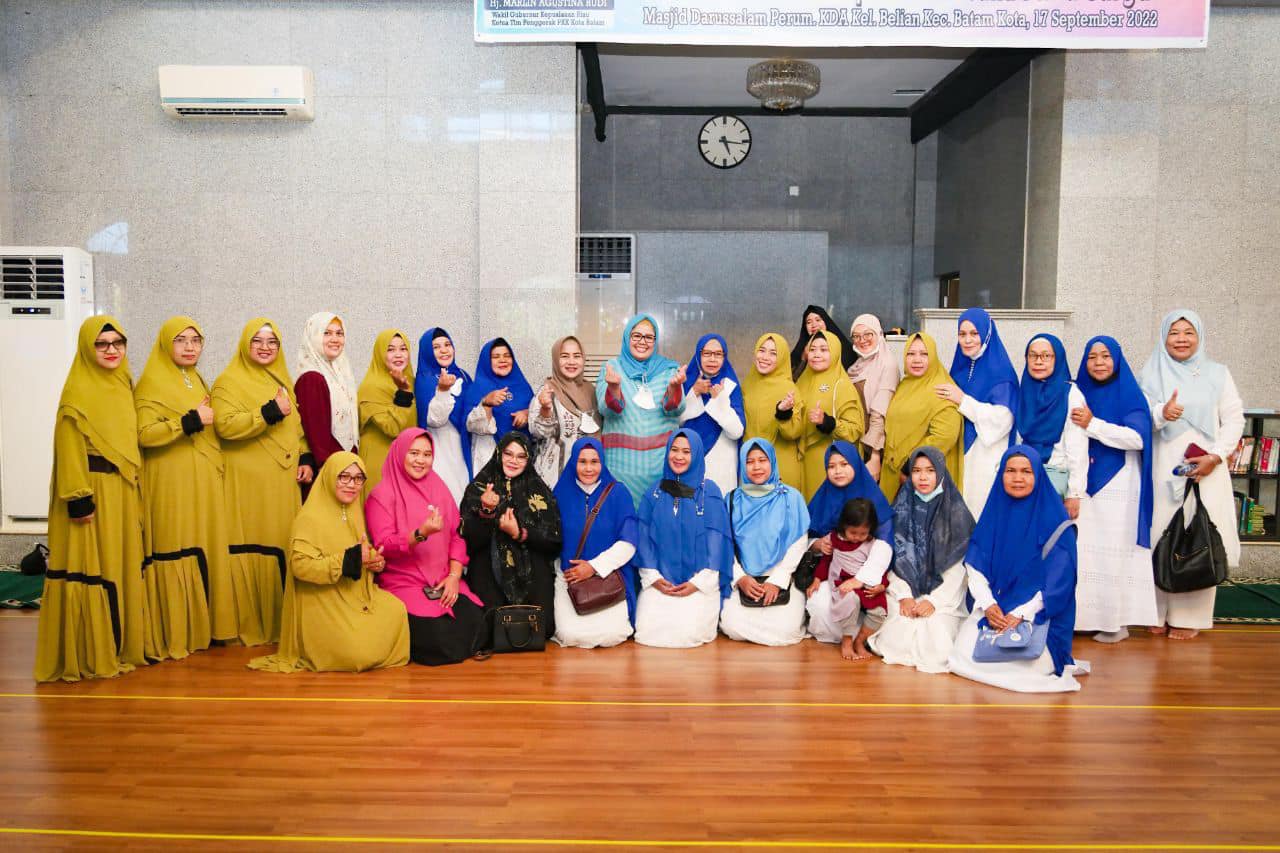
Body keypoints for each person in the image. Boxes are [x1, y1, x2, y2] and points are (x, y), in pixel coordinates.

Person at [35, 316, 150, 682]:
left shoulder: (123, 383)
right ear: (88, 348)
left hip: (121, 490)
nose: (111, 350)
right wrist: (78, 497)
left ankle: (120, 644)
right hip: (93, 490)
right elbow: (69, 444)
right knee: (95, 565)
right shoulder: (79, 390)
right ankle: (93, 650)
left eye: (118, 343)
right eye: (102, 344)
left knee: (119, 563)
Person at [248, 453, 409, 673]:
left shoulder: (353, 512)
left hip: (353, 595)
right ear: (329, 477)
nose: (351, 484)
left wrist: (374, 562)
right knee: (360, 653)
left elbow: (360, 550)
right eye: (344, 477)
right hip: (321, 600)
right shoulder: (309, 518)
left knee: (397, 610)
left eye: (358, 478)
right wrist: (350, 559)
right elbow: (300, 567)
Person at [134, 316, 236, 659]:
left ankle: (205, 627)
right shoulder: (151, 382)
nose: (190, 347)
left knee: (202, 543)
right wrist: (189, 420)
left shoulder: (195, 378)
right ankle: (176, 630)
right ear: (166, 343)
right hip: (171, 479)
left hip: (202, 478)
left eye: (195, 340)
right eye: (181, 340)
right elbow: (144, 434)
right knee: (175, 541)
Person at [1139, 310, 1245, 640]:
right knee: (1159, 534)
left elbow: (1235, 419)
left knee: (1200, 535)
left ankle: (1190, 617)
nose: (1181, 339)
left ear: (1199, 337)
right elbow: (1139, 419)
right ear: (1163, 337)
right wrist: (1162, 413)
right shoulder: (1150, 373)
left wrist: (1216, 456)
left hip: (1206, 470)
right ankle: (1154, 612)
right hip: (1162, 468)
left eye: (1188, 332)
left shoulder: (1218, 374)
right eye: (1174, 332)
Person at [947, 446, 1086, 693]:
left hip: (1037, 615)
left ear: (1038, 475)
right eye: (1010, 471)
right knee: (962, 654)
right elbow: (975, 565)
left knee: (1028, 666)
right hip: (997, 610)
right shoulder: (994, 514)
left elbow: (1059, 583)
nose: (1018, 478)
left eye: (1026, 472)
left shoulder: (1057, 525)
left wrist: (1021, 613)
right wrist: (989, 605)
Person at [212, 318, 314, 646]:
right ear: (245, 344)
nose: (265, 347)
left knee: (281, 543)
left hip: (283, 481)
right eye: (257, 340)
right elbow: (225, 426)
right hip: (248, 482)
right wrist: (269, 411)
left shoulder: (281, 379)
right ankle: (249, 622)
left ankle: (278, 622)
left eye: (272, 342)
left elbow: (296, 427)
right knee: (252, 543)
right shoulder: (228, 382)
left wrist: (305, 457)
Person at [365, 428, 487, 665]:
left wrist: (454, 577)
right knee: (439, 639)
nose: (420, 460)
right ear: (399, 453)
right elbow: (384, 547)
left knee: (478, 622)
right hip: (405, 582)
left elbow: (457, 536)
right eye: (413, 453)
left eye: (427, 454)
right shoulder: (381, 495)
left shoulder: (439, 488)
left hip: (443, 579)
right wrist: (420, 534)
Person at [1072, 336, 1156, 643]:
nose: (1098, 363)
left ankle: (1115, 622)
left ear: (1117, 360)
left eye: (1105, 356)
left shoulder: (1129, 393)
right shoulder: (1078, 392)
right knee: (1084, 551)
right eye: (1092, 357)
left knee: (1114, 551)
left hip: (1120, 483)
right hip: (1084, 480)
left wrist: (1094, 425)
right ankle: (1082, 619)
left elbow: (1138, 438)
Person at [867, 447, 975, 673]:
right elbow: (892, 560)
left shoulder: (956, 511)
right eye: (916, 471)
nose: (923, 477)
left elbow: (959, 567)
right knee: (898, 635)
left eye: (930, 470)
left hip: (944, 596)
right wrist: (905, 596)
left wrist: (934, 601)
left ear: (941, 472)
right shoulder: (900, 508)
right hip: (904, 590)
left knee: (936, 641)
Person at [633, 429, 732, 648]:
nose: (679, 457)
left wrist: (697, 583)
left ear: (696, 455)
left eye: (686, 452)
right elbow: (643, 541)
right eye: (674, 450)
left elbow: (717, 545)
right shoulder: (654, 493)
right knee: (647, 632)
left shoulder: (709, 493)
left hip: (699, 582)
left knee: (688, 634)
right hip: (660, 581)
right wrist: (654, 578)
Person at [460, 432, 562, 641]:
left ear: (528, 459)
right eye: (508, 454)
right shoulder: (479, 488)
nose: (513, 461)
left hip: (531, 567)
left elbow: (554, 542)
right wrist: (487, 512)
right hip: (489, 567)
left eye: (521, 456)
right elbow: (468, 541)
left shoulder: (539, 490)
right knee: (489, 629)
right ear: (499, 453)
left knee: (543, 628)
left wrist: (519, 533)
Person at [719, 438, 809, 646]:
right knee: (731, 625)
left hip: (783, 576)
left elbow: (799, 541)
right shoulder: (732, 500)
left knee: (787, 629)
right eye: (750, 461)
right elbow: (723, 544)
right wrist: (740, 578)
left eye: (762, 460)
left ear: (772, 462)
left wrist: (777, 581)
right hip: (745, 578)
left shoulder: (791, 498)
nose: (757, 467)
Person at [551, 437, 639, 649]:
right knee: (569, 634)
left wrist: (593, 567)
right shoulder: (560, 494)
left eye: (594, 462)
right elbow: (551, 539)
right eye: (582, 462)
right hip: (571, 580)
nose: (588, 468)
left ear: (602, 462)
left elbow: (629, 543)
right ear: (573, 462)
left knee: (613, 634)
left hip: (608, 577)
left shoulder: (618, 493)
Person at [595, 315, 687, 505]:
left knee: (657, 517)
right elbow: (605, 410)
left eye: (649, 337)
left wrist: (674, 388)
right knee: (623, 517)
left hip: (661, 467)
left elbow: (676, 410)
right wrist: (614, 388)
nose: (642, 342)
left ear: (656, 340)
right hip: (620, 468)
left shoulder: (669, 370)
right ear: (627, 337)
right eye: (636, 335)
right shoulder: (611, 368)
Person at [936, 308, 1017, 517]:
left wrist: (963, 401)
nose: (967, 340)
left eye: (974, 333)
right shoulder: (959, 369)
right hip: (959, 455)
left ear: (987, 334)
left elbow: (1003, 420)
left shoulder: (1001, 372)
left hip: (986, 456)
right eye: (962, 334)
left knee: (979, 513)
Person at [881, 332, 964, 503]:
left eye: (924, 354)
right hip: (893, 472)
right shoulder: (905, 384)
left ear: (933, 357)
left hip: (921, 476)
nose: (916, 360)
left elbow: (945, 436)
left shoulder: (942, 389)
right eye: (911, 354)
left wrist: (911, 465)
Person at [806, 499, 892, 661]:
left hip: (866, 584)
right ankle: (847, 640)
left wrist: (882, 586)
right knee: (849, 601)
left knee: (879, 612)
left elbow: (880, 569)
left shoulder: (873, 545)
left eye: (863, 534)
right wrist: (817, 579)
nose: (857, 538)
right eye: (853, 533)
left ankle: (859, 641)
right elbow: (825, 561)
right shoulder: (833, 539)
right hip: (842, 582)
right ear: (843, 526)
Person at [1015, 334, 1087, 517]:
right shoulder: (1023, 391)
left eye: (1046, 356)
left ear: (1058, 358)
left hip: (1055, 478)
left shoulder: (1071, 394)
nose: (1038, 361)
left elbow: (1077, 447)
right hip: (1021, 478)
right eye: (1033, 355)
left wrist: (1074, 493)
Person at [796, 330, 865, 500]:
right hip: (802, 461)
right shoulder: (801, 382)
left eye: (823, 349)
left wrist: (827, 422)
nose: (816, 354)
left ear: (834, 352)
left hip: (830, 462)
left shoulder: (842, 385)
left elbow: (855, 429)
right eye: (812, 349)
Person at [531, 335, 601, 487]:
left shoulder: (591, 391)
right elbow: (537, 432)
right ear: (556, 360)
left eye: (577, 356)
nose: (571, 361)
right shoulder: (547, 391)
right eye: (564, 356)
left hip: (588, 478)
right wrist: (545, 409)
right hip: (554, 479)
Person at [680, 333, 745, 495]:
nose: (712, 359)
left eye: (718, 354)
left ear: (724, 356)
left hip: (722, 462)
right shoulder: (685, 381)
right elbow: (675, 421)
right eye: (707, 353)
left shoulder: (730, 385)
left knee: (718, 503)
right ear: (698, 355)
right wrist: (694, 392)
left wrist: (720, 400)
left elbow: (737, 431)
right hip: (689, 457)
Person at [740, 332, 805, 493]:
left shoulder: (788, 388)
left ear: (782, 358)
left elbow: (794, 432)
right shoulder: (748, 384)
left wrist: (783, 413)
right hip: (752, 465)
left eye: (773, 353)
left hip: (780, 465)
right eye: (762, 350)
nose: (765, 357)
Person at [294, 312, 359, 471]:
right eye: (327, 333)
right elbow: (318, 439)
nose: (335, 339)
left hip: (345, 465)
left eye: (339, 333)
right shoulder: (312, 378)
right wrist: (335, 470)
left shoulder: (340, 374)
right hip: (330, 469)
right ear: (313, 336)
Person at [414, 327, 472, 504]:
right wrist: (443, 390)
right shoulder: (424, 379)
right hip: (440, 449)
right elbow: (433, 420)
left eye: (447, 344)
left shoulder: (463, 376)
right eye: (436, 347)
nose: (444, 350)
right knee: (446, 498)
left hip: (463, 447)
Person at [357, 329, 417, 493]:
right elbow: (392, 428)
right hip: (381, 462)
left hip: (408, 462)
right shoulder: (371, 386)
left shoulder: (412, 382)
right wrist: (403, 394)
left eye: (403, 349)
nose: (398, 355)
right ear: (379, 354)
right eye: (390, 349)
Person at [464, 338, 534, 475]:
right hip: (489, 456)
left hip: (521, 457)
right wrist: (486, 403)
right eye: (496, 357)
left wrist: (527, 413)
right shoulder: (477, 388)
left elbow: (537, 415)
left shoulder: (522, 386)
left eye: (507, 356)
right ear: (487, 361)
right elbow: (471, 426)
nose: (503, 360)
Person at [847, 314, 900, 481]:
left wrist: (875, 456)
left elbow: (880, 413)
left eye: (868, 334)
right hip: (857, 439)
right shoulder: (858, 365)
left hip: (874, 445)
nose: (862, 340)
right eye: (856, 336)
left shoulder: (887, 364)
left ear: (879, 333)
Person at [790, 305, 855, 380]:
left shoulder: (844, 348)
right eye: (809, 322)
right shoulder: (801, 349)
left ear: (826, 322)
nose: (814, 325)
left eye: (818, 320)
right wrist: (803, 359)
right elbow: (792, 380)